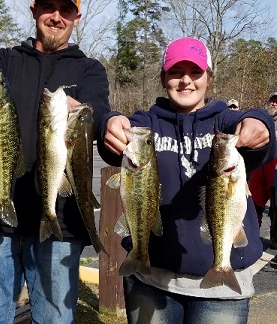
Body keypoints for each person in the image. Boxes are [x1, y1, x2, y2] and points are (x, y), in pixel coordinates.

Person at [0, 0, 110, 324]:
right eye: (48, 7)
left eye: (65, 10)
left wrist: (86, 112)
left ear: (76, 17)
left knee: (56, 318)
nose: (56, 16)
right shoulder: (5, 59)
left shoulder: (90, 70)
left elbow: (100, 112)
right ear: (34, 10)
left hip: (58, 218)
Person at [97, 37, 277, 324]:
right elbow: (118, 132)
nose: (185, 81)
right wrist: (110, 121)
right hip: (152, 279)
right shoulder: (149, 123)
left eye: (195, 72)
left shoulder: (224, 123)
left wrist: (260, 122)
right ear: (163, 78)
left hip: (223, 288)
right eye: (175, 72)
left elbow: (252, 124)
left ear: (209, 78)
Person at [249, 92, 277, 249]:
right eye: (272, 101)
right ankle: (252, 234)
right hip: (258, 166)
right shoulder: (259, 121)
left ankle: (275, 238)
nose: (274, 104)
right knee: (254, 203)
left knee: (275, 204)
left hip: (274, 166)